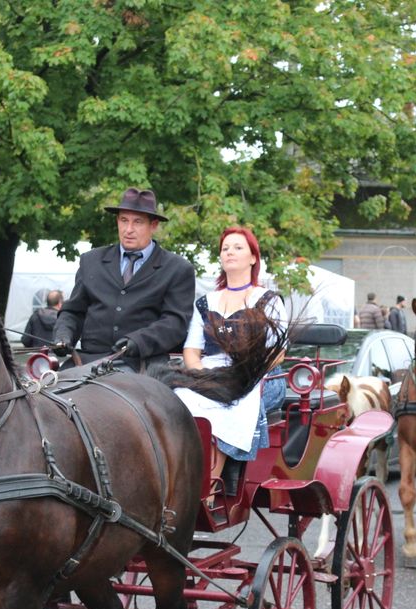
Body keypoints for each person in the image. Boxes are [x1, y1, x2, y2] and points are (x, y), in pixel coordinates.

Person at [173, 226, 286, 489]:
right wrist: (200, 375)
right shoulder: (207, 301)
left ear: (253, 258)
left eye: (238, 247)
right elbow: (191, 349)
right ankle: (177, 477)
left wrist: (245, 374)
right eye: (225, 248)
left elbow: (278, 353)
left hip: (258, 375)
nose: (230, 252)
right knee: (181, 399)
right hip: (210, 370)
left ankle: (208, 488)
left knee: (229, 403)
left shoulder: (267, 299)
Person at [52, 187, 194, 371]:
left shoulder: (177, 269)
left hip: (143, 364)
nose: (128, 229)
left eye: (138, 222)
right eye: (123, 220)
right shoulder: (91, 261)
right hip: (87, 361)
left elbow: (175, 323)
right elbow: (73, 312)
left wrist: (138, 341)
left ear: (154, 225)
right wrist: (63, 336)